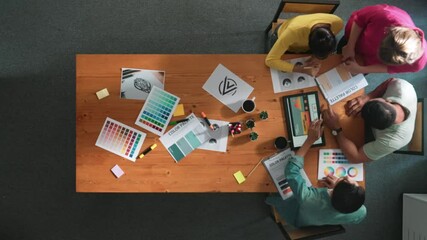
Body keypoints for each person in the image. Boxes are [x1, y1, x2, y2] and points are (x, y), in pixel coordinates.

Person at [266, 119, 366, 227]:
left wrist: (310, 140)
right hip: (313, 220)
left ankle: (271, 200)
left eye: (344, 179)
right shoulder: (361, 212)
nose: (346, 175)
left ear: (333, 192)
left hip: (296, 215)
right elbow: (355, 219)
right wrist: (338, 188)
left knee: (276, 190)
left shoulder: (308, 199)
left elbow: (291, 171)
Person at [322, 78, 417, 162]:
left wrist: (336, 129)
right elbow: (389, 81)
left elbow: (355, 157)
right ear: (387, 100)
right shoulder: (401, 86)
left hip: (374, 138)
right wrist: (369, 96)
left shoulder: (392, 140)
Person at [339, 4, 427, 74]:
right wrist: (350, 46)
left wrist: (361, 69)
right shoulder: (385, 15)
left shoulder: (417, 64)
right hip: (355, 38)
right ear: (388, 30)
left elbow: (390, 68)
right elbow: (360, 19)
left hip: (366, 62)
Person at [265, 13, 343, 77]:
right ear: (308, 41)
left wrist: (316, 57)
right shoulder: (292, 32)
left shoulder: (338, 23)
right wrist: (300, 69)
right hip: (282, 37)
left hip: (301, 43)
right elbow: (270, 60)